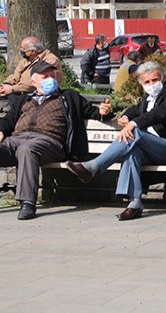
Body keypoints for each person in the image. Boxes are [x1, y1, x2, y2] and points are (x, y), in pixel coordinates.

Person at [65, 62, 166, 221]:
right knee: (133, 152)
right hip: (150, 149)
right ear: (142, 84)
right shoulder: (147, 98)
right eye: (147, 82)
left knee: (135, 132)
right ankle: (134, 203)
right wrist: (126, 117)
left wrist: (133, 124)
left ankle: (94, 166)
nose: (151, 84)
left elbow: (158, 114)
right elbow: (135, 110)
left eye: (155, 80)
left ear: (163, 78)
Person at [0, 60, 112, 220]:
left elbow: (94, 112)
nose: (50, 79)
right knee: (22, 147)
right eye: (44, 76)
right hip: (18, 139)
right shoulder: (23, 100)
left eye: (52, 75)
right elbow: (8, 120)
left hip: (49, 141)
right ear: (34, 82)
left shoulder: (69, 96)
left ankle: (27, 203)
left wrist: (104, 111)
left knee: (28, 149)